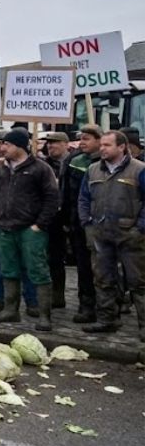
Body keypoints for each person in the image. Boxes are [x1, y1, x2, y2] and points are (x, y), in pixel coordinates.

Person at [0, 128, 60, 331]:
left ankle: (44, 316)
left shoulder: (40, 169)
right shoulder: (1, 168)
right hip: (4, 229)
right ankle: (11, 310)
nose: (2, 148)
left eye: (7, 145)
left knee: (38, 270)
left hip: (30, 230)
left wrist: (39, 225)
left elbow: (52, 198)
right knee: (8, 269)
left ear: (19, 146)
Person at [78, 130, 145, 343]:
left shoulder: (139, 170)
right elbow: (84, 199)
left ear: (121, 147)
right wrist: (87, 223)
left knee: (138, 282)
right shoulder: (92, 170)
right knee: (103, 279)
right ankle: (107, 319)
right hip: (101, 233)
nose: (102, 148)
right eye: (102, 145)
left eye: (107, 145)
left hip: (130, 235)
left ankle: (144, 326)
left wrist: (140, 229)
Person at [61, 126, 102, 323]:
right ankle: (86, 305)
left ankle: (109, 307)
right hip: (80, 224)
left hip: (105, 225)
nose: (82, 142)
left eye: (87, 138)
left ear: (99, 140)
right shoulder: (75, 162)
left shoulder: (107, 161)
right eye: (81, 139)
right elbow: (67, 194)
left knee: (106, 269)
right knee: (84, 268)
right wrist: (68, 220)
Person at [40, 131, 71, 307]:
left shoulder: (73, 163)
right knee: (52, 258)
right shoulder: (44, 165)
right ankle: (56, 295)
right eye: (49, 143)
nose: (51, 146)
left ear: (65, 144)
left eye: (55, 143)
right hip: (50, 218)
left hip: (70, 216)